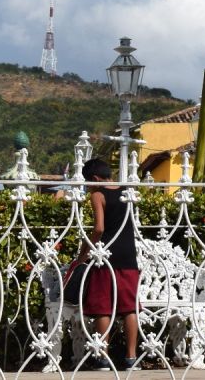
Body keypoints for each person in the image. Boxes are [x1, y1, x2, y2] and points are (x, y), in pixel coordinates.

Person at [70, 158, 139, 371]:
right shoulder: (127, 191)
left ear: (95, 178)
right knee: (130, 308)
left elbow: (99, 228)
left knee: (103, 307)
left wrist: (84, 252)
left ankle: (103, 357)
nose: (87, 187)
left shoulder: (98, 195)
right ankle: (131, 357)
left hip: (105, 255)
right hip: (128, 256)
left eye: (87, 182)